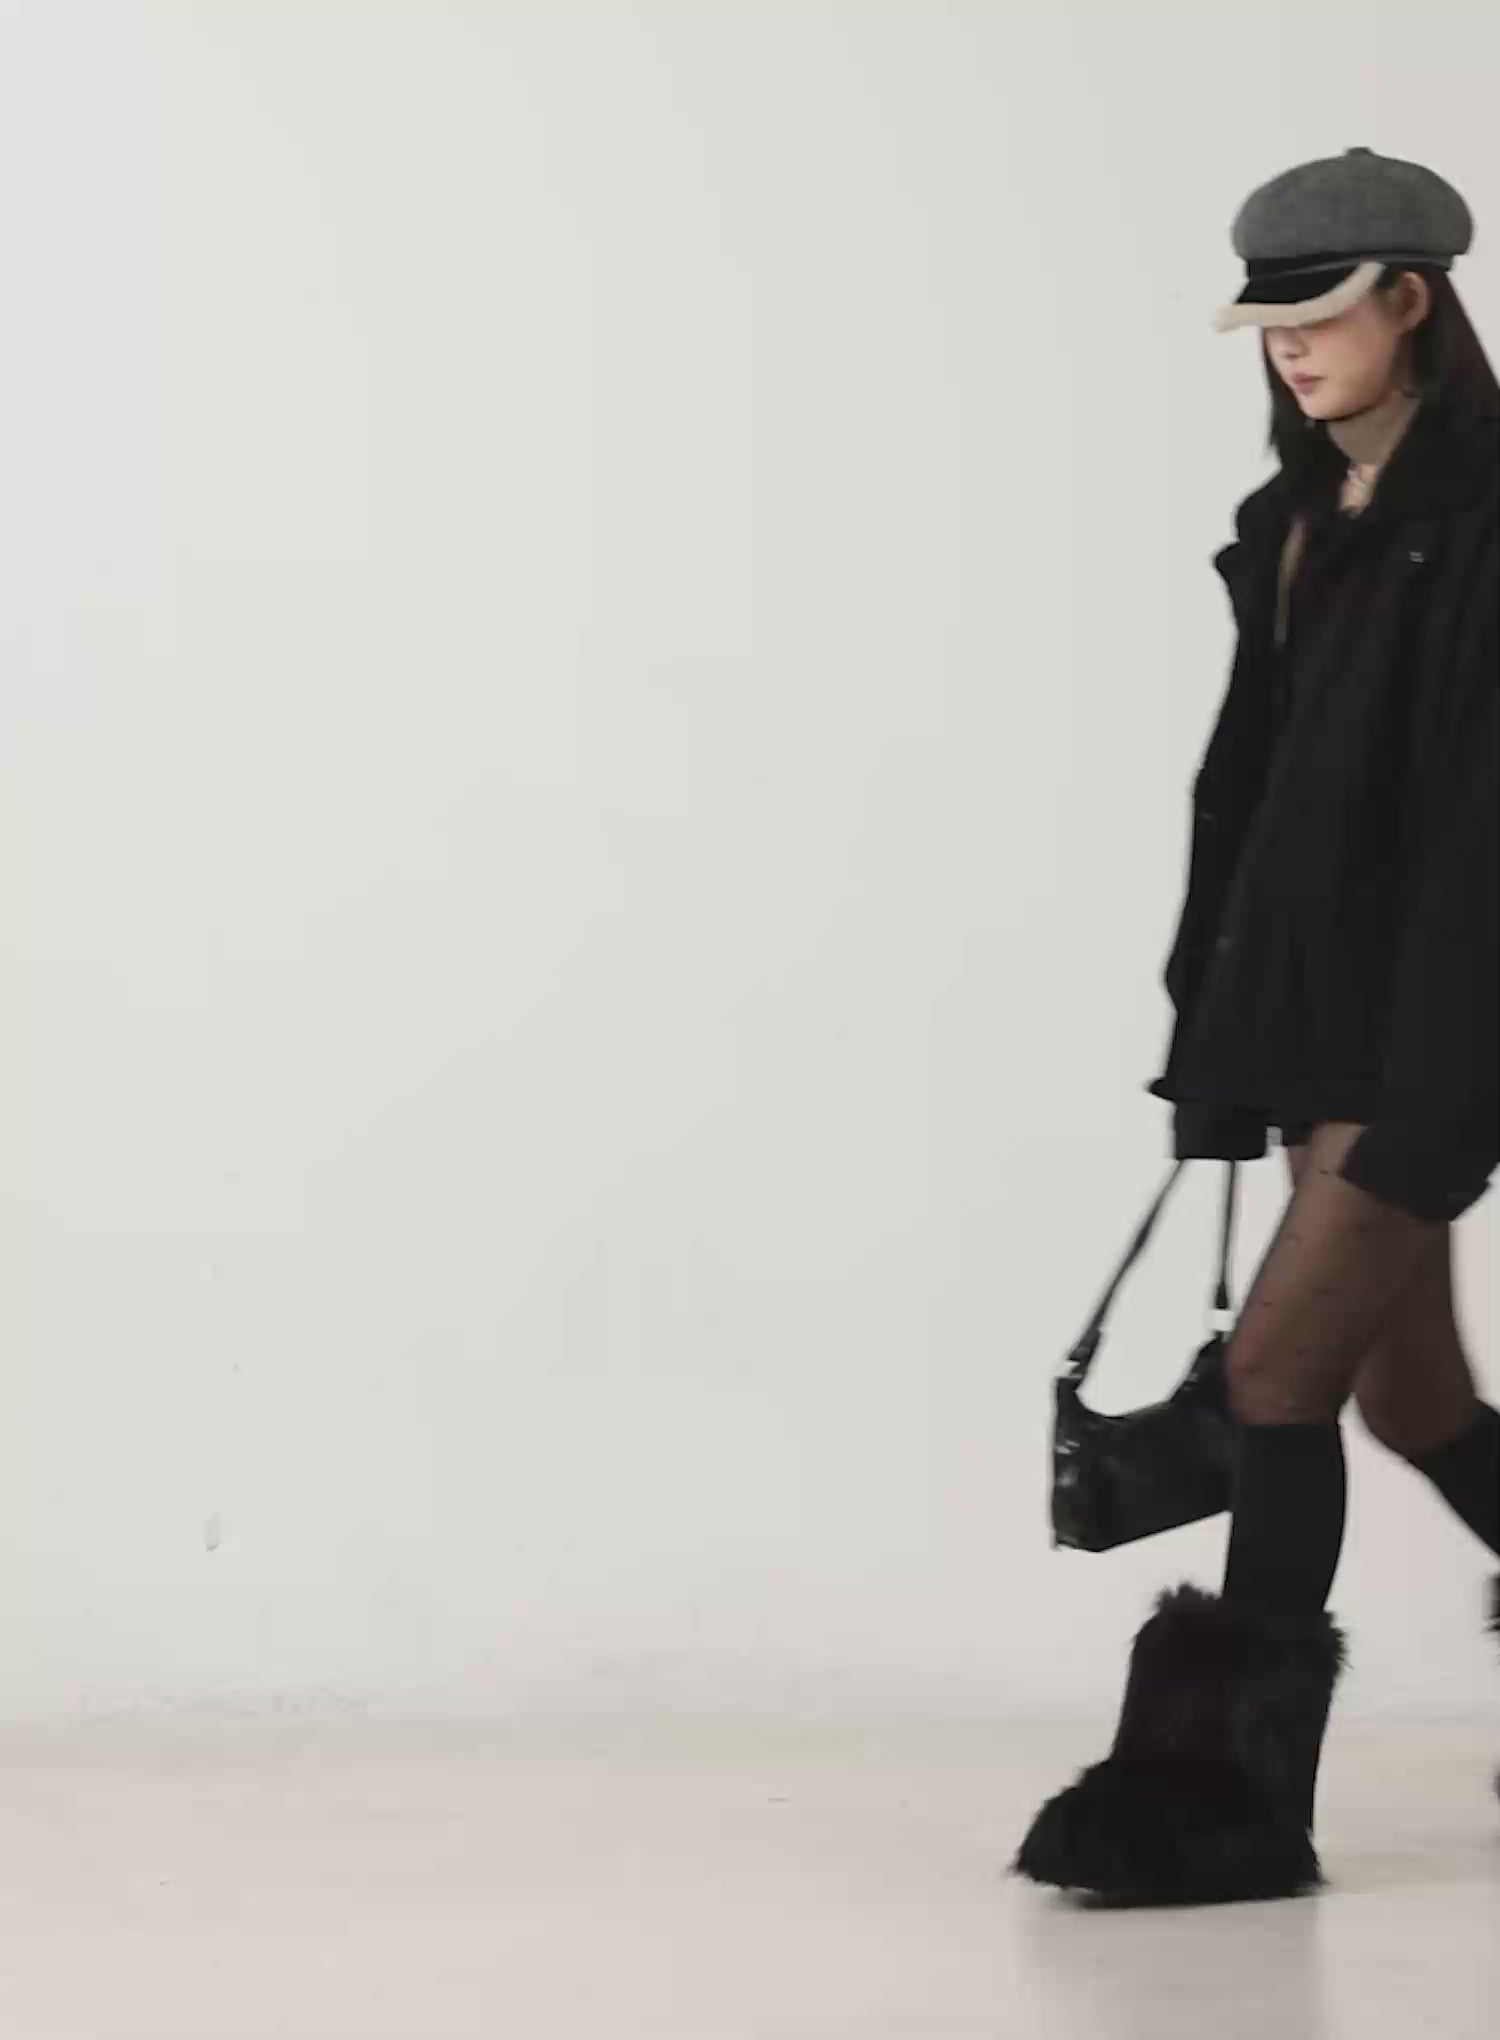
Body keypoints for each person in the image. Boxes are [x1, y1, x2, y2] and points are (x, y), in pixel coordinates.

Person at [1015, 147, 1500, 1907]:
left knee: (1277, 1377)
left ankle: (1221, 1805)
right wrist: (1216, 1046)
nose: (1290, 345)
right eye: (1268, 321)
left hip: (1445, 1023)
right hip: (1312, 1019)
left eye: (1321, 314)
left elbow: (1483, 835)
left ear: (1412, 301)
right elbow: (1254, 801)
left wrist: (1440, 1081)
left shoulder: (1488, 521)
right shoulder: (1294, 520)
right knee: (1409, 1393)